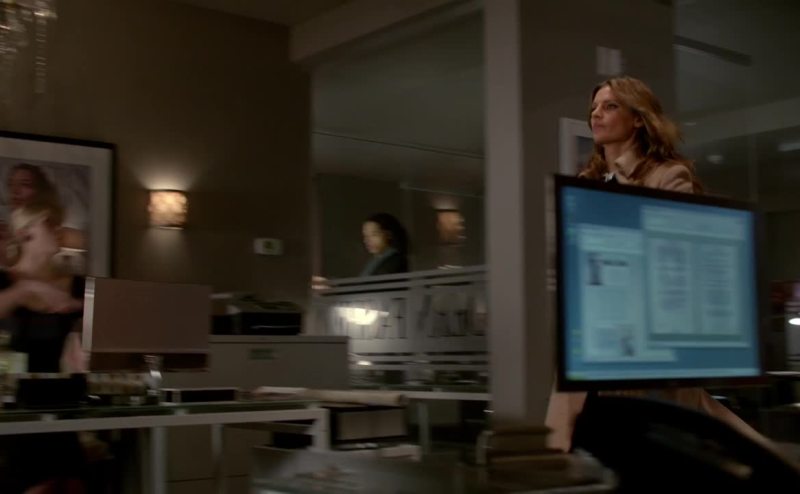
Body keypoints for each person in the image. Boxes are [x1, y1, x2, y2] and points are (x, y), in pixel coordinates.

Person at [545, 75, 762, 451]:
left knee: (655, 450)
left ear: (638, 118)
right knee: (573, 448)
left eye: (610, 106)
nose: (596, 114)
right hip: (596, 343)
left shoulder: (667, 175)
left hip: (647, 350)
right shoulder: (586, 182)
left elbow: (676, 259)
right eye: (594, 108)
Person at [0, 202, 86, 493]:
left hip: (66, 413)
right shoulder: (6, 282)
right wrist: (25, 290)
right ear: (25, 234)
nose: (59, 230)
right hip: (17, 420)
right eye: (49, 224)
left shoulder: (74, 285)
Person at [1, 163, 87, 270]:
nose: (15, 191)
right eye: (11, 184)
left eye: (25, 184)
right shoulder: (5, 226)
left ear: (40, 191)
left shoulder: (55, 229)